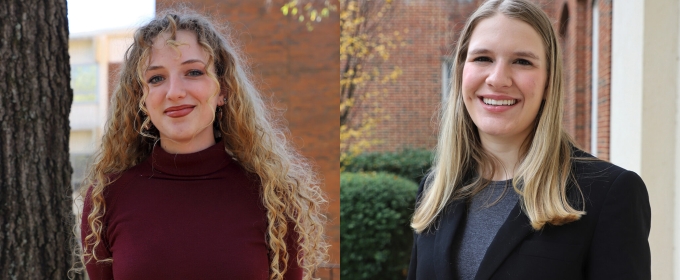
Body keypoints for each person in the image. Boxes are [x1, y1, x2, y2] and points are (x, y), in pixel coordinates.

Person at [75, 10, 327, 280]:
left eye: (193, 72)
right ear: (141, 98)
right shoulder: (106, 198)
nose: (174, 92)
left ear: (223, 90)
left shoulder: (274, 197)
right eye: (156, 78)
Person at [407, 0, 651, 279]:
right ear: (462, 71)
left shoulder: (609, 194)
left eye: (522, 61)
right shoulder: (434, 189)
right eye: (482, 58)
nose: (498, 79)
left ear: (549, 82)